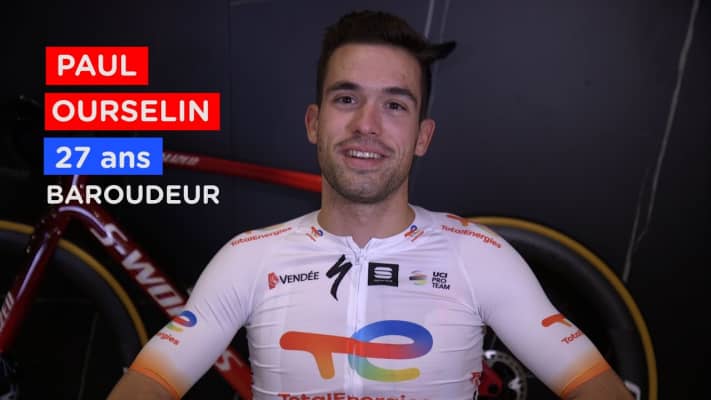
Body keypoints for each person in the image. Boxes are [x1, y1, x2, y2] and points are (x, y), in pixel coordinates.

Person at [109, 10, 633, 400]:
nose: (367, 124)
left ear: (422, 136)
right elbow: (148, 384)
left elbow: (596, 386)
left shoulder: (479, 255)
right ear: (314, 123)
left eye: (394, 105)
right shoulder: (248, 257)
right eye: (347, 98)